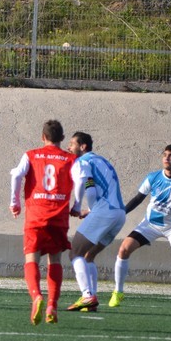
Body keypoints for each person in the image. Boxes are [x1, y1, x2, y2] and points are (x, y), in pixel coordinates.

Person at [109, 144, 171, 312]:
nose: (166, 158)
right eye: (164, 155)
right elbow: (137, 199)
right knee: (124, 249)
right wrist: (121, 213)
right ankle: (118, 292)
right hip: (150, 224)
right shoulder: (153, 177)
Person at [9, 119, 75, 325]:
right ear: (62, 138)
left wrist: (15, 202)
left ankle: (36, 296)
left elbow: (16, 175)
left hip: (36, 215)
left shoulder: (31, 155)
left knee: (31, 258)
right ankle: (52, 305)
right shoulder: (70, 158)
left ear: (43, 137)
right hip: (58, 216)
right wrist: (78, 204)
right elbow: (82, 181)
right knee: (55, 261)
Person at [65, 132, 125, 312]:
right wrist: (91, 211)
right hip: (119, 214)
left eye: (72, 144)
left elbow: (84, 184)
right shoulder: (101, 161)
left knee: (75, 252)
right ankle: (91, 300)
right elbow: (96, 190)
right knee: (88, 255)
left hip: (105, 212)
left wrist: (77, 206)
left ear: (83, 146)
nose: (68, 147)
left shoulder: (82, 161)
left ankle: (87, 295)